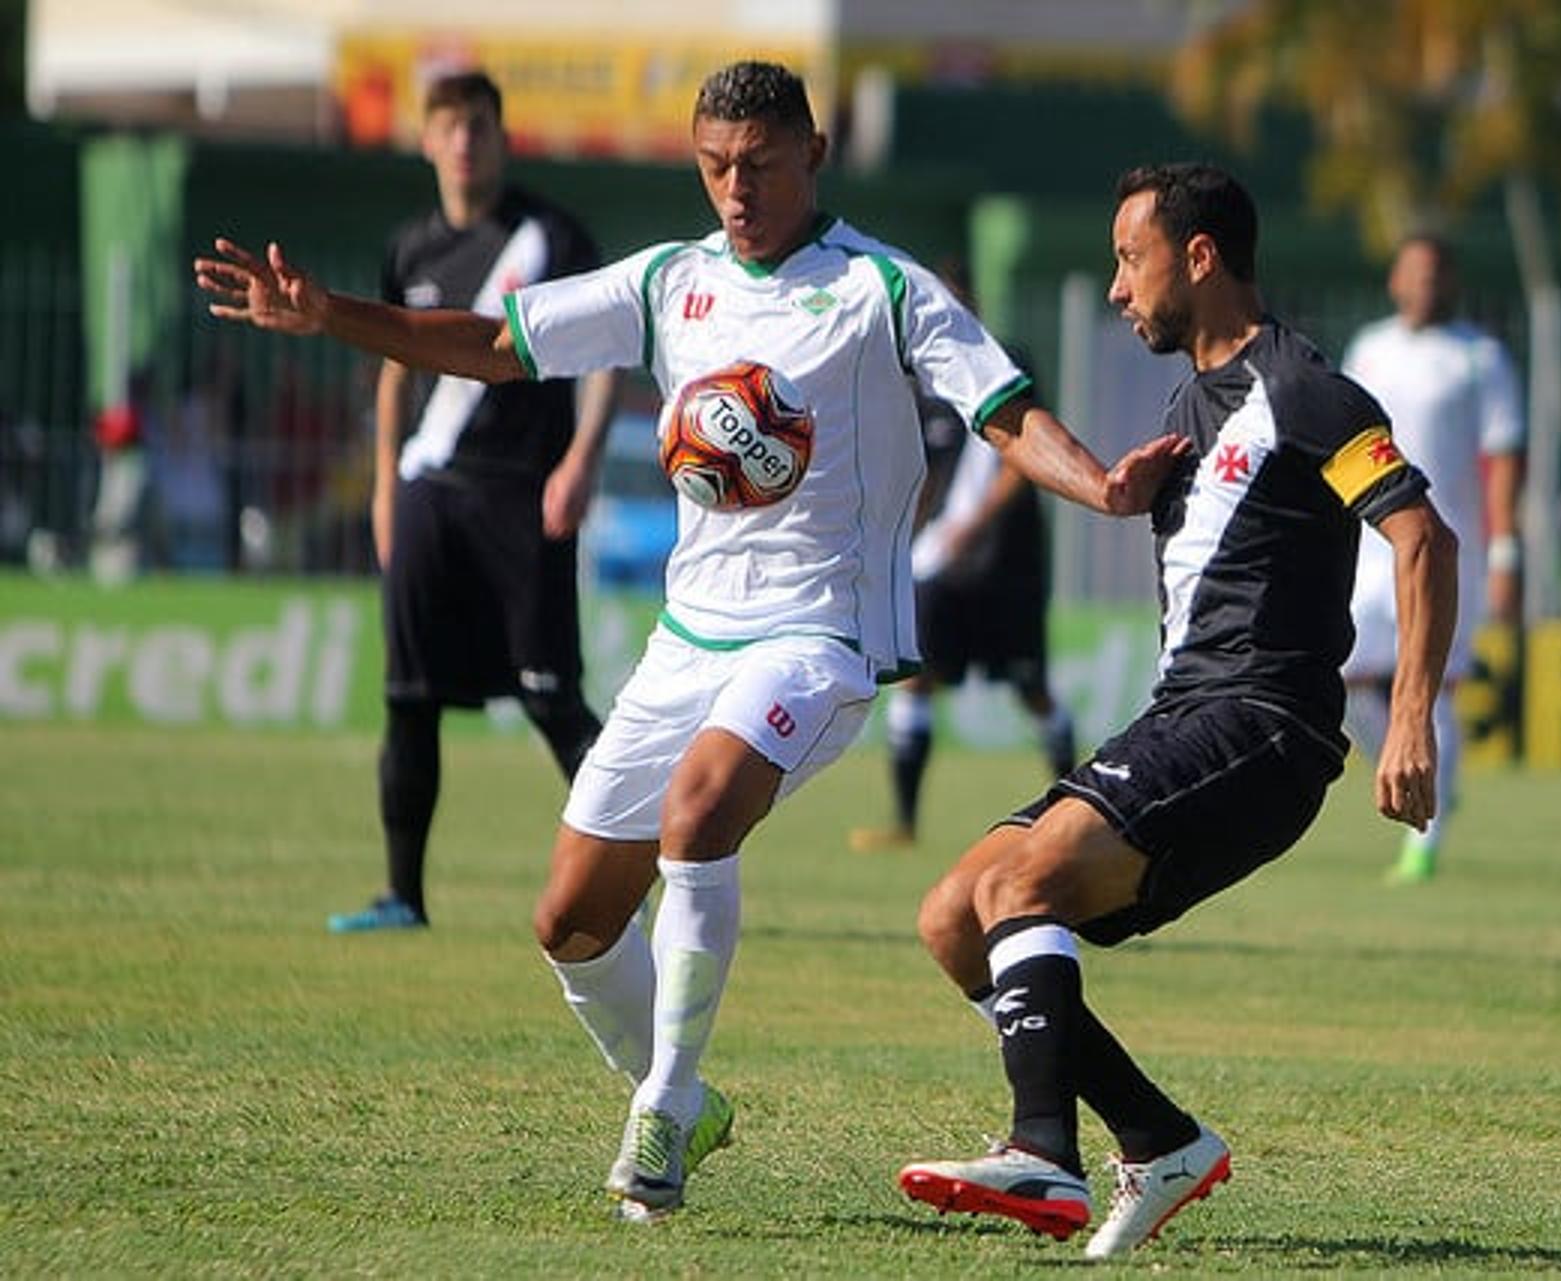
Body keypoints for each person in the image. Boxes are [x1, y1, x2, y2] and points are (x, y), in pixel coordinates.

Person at [196, 60, 1184, 1222]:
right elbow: (495, 341)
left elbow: (1003, 410)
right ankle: (688, 1096)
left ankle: (662, 1111)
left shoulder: (883, 288)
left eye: (759, 166)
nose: (735, 189)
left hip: (821, 635)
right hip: (686, 641)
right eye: (715, 167)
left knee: (700, 810)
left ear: (812, 155)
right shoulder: (671, 281)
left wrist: (1105, 490)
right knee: (569, 920)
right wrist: (332, 319)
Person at [896, 163, 1457, 1259]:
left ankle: (1043, 1153)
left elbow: (1421, 537)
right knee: (953, 918)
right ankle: (1158, 1140)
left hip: (1264, 726)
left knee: (1020, 883)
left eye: (1128, 258)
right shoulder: (1192, 404)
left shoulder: (1310, 393)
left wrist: (1412, 718)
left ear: (1198, 258)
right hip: (1183, 717)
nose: (1116, 288)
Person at [321, 72, 618, 934]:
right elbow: (393, 364)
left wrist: (582, 456)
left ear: (501, 134)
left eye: (478, 126)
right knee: (408, 696)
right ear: (426, 139)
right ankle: (402, 895)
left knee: (553, 697)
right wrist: (386, 482)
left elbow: (603, 351)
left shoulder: (552, 236)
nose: (464, 142)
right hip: (428, 494)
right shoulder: (410, 248)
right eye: (448, 126)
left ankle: (658, 868)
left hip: (525, 496)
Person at [849, 274, 1076, 852]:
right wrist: (901, 539)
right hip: (941, 564)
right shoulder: (922, 385)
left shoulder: (1009, 364)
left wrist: (974, 526)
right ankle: (904, 821)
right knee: (917, 679)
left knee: (1032, 689)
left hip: (1007, 561)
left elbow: (1025, 459)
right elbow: (925, 473)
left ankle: (1074, 817)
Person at [1340, 233, 1521, 884]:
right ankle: (1417, 766)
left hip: (1448, 549)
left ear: (1452, 283)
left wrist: (1505, 552)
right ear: (1395, 280)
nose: (1424, 285)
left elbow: (1504, 459)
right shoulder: (1369, 348)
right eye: (1414, 272)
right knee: (1343, 677)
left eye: (1436, 274)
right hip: (1370, 549)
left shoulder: (1480, 358)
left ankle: (1426, 836)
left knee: (1432, 685)